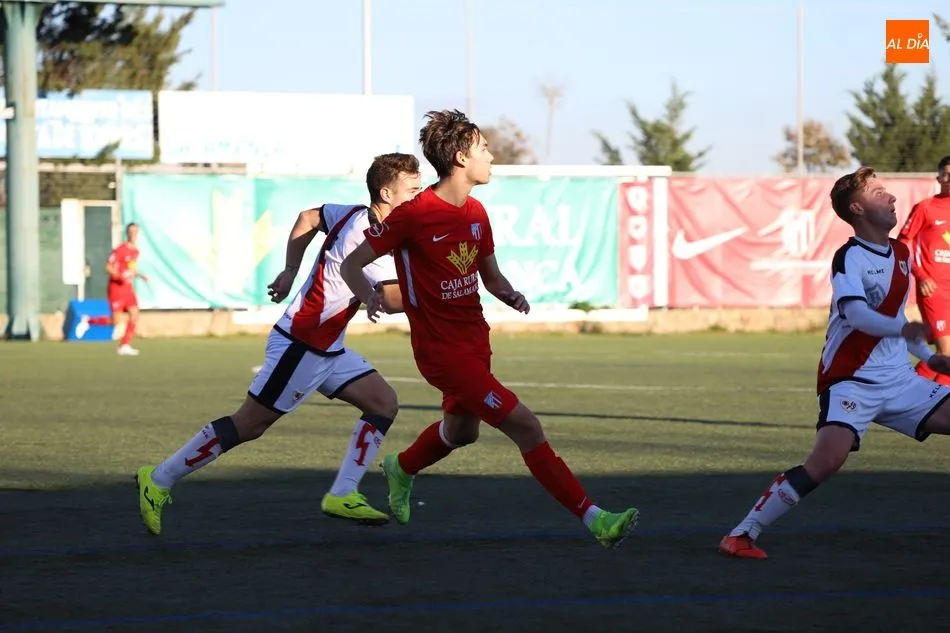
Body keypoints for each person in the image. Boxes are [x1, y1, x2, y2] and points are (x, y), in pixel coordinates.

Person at [339, 110, 639, 549]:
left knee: (462, 432)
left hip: (476, 343)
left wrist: (510, 294)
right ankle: (596, 519)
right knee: (526, 426)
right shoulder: (413, 215)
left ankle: (400, 467)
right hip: (442, 354)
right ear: (461, 157)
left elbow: (491, 277)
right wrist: (368, 295)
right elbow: (351, 264)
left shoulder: (477, 212)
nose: (491, 156)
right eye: (484, 148)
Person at [134, 153, 422, 535]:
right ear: (386, 194)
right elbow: (393, 298)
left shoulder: (352, 214)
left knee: (383, 403)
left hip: (327, 347)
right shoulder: (367, 236)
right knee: (249, 425)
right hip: (301, 344)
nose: (419, 196)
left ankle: (344, 493)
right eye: (412, 190)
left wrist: (290, 271)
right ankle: (158, 479)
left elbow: (308, 217)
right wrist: (441, 289)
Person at [719, 166, 950, 560]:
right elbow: (857, 316)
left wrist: (931, 358)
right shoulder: (849, 257)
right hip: (850, 382)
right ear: (857, 208)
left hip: (901, 381)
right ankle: (741, 535)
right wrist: (906, 330)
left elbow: (895, 319)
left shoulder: (900, 253)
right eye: (879, 192)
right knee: (826, 461)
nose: (892, 197)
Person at [898, 155, 950, 385]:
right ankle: (909, 393)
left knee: (944, 356)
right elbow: (901, 244)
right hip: (934, 290)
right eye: (945, 174)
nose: (949, 179)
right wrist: (921, 276)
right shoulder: (925, 208)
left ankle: (917, 395)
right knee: (947, 354)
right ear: (938, 178)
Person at [82, 223, 149, 355]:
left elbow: (131, 268)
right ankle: (88, 320)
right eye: (131, 231)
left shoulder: (136, 251)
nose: (133, 234)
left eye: (135, 231)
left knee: (135, 314)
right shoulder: (120, 250)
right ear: (127, 233)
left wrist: (140, 275)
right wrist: (119, 276)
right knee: (115, 321)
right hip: (116, 288)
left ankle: (124, 345)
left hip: (128, 288)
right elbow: (108, 267)